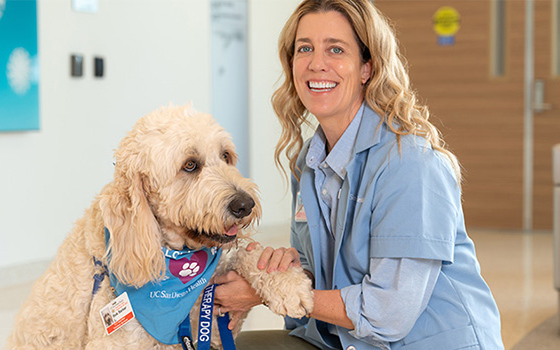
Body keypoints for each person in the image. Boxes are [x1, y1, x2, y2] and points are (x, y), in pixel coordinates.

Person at [213, 0, 505, 349]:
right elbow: (316, 268)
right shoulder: (308, 162)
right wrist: (282, 270)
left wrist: (268, 293)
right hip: (346, 340)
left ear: (367, 67)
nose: (316, 64)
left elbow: (388, 313)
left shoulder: (410, 165)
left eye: (335, 49)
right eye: (304, 48)